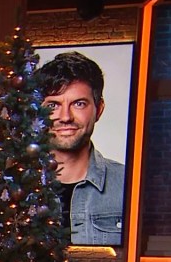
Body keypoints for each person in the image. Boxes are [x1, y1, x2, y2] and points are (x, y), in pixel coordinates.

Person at [37, 51, 126, 246]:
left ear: (99, 109)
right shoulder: (15, 189)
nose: (65, 117)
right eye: (53, 105)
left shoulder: (128, 185)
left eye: (78, 104)